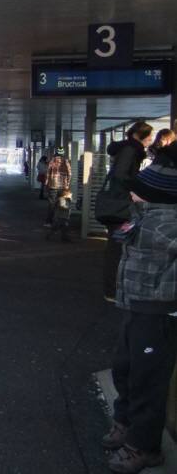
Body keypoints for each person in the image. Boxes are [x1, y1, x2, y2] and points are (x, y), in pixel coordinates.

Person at [104, 155, 177, 473]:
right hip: (135, 306)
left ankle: (144, 447)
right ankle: (124, 421)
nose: (131, 194)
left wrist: (168, 293)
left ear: (155, 195)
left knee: (148, 380)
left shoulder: (168, 224)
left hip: (157, 312)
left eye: (137, 190)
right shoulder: (145, 217)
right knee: (125, 367)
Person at [103, 121, 154, 301]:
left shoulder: (127, 149)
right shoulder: (130, 150)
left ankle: (113, 289)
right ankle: (112, 290)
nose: (149, 141)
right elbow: (121, 175)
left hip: (118, 203)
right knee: (117, 248)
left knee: (116, 246)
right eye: (148, 137)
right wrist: (137, 186)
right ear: (139, 136)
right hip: (121, 205)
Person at [44, 147, 71, 240]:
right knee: (63, 205)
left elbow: (48, 173)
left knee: (51, 203)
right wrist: (67, 184)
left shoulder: (52, 160)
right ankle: (62, 221)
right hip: (63, 187)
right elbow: (69, 173)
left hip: (53, 185)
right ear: (63, 153)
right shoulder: (65, 161)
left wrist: (46, 184)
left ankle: (49, 221)